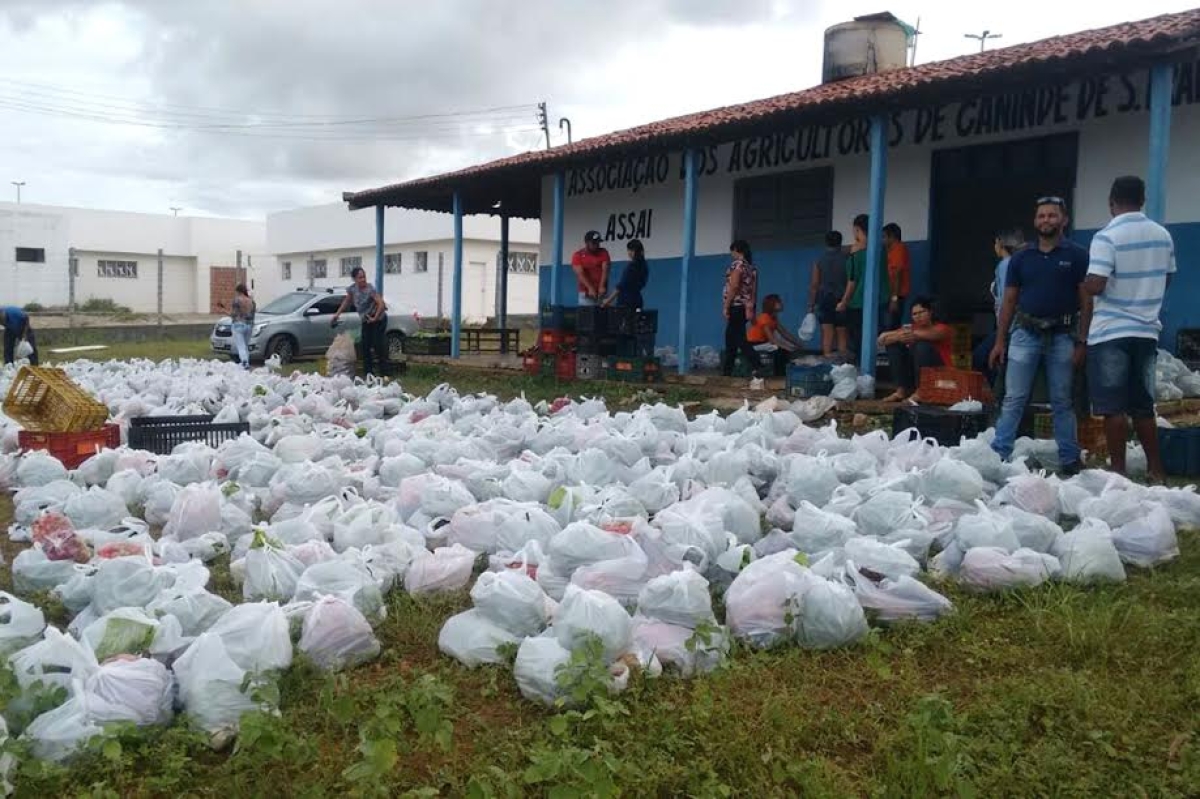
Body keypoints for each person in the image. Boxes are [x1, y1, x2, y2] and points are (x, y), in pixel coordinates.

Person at [989, 196, 1091, 475]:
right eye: (1041, 216)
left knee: (1062, 400)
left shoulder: (1078, 255)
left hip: (1063, 336)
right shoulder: (1022, 258)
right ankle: (999, 454)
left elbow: (1086, 302)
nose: (1046, 220)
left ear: (1064, 220)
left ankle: (1069, 458)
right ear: (1035, 221)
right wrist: (1000, 341)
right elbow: (1008, 301)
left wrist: (1082, 341)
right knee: (1013, 398)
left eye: (1052, 215)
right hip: (1025, 333)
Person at [1083, 176, 1173, 480]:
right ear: (1142, 200)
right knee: (1143, 405)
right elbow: (1167, 278)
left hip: (1111, 332)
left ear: (1111, 203)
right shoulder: (1162, 235)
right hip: (1147, 330)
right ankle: (1156, 470)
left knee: (1113, 406)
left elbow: (1096, 284)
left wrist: (1083, 284)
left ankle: (1118, 470)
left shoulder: (1106, 236)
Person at [972, 228, 1026, 384]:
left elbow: (1005, 299)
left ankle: (995, 394)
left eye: (995, 243)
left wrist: (1002, 332)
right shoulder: (1017, 263)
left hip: (1009, 325)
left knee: (980, 357)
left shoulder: (1005, 265)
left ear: (1001, 244)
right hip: (1014, 324)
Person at [877, 296, 952, 402]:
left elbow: (924, 335)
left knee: (922, 346)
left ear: (930, 312)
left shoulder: (942, 328)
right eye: (914, 314)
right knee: (894, 345)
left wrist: (901, 334)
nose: (918, 316)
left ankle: (921, 391)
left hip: (938, 374)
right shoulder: (911, 328)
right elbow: (882, 340)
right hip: (914, 373)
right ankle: (901, 391)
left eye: (922, 312)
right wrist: (897, 336)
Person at [838, 214, 887, 356]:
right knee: (877, 336)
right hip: (881, 299)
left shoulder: (855, 256)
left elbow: (852, 282)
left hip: (859, 303)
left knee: (859, 338)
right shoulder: (881, 250)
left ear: (857, 229)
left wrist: (843, 302)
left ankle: (863, 368)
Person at [332, 266, 389, 376]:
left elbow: (381, 304)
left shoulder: (370, 289)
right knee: (365, 345)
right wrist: (337, 314)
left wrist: (375, 318)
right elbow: (346, 301)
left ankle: (384, 372)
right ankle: (368, 373)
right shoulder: (352, 289)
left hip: (378, 319)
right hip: (366, 320)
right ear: (354, 279)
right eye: (360, 277)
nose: (363, 280)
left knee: (378, 344)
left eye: (364, 277)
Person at [721, 239, 760, 377]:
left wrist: (726, 306)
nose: (731, 254)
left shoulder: (737, 265)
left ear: (737, 250)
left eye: (732, 251)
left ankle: (756, 361)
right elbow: (754, 291)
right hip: (745, 307)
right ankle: (727, 371)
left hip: (736, 306)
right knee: (731, 339)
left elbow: (734, 286)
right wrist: (751, 308)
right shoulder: (751, 268)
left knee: (738, 339)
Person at [809, 230, 850, 358]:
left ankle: (827, 359)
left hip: (825, 299)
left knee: (827, 332)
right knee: (842, 331)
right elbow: (851, 280)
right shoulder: (847, 259)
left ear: (826, 242)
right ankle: (843, 364)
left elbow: (815, 284)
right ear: (840, 242)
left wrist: (811, 304)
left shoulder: (819, 261)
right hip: (842, 298)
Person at [748, 294, 805, 376]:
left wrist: (798, 344)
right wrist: (787, 347)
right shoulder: (764, 318)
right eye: (779, 302)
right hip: (753, 344)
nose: (782, 303)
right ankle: (779, 375)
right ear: (772, 304)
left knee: (784, 346)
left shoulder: (774, 318)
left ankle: (783, 373)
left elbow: (785, 334)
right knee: (780, 349)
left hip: (763, 343)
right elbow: (772, 340)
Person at [602, 239, 648, 309]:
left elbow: (621, 286)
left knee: (624, 319)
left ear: (633, 251)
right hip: (638, 300)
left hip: (626, 301)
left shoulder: (631, 267)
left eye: (629, 250)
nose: (628, 253)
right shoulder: (644, 266)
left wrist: (608, 300)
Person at [883, 223, 911, 331]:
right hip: (891, 295)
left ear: (892, 237)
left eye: (884, 237)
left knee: (892, 326)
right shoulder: (890, 251)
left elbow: (897, 274)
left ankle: (894, 347)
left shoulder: (899, 249)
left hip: (896, 295)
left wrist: (894, 299)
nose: (882, 240)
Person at [571, 230, 610, 307]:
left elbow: (605, 269)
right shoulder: (578, 255)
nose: (597, 245)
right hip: (586, 295)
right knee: (588, 317)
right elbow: (580, 274)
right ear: (587, 243)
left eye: (598, 242)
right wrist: (590, 288)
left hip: (601, 294)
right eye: (594, 243)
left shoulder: (603, 252)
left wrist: (601, 286)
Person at [229, 283, 256, 370]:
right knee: (245, 346)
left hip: (238, 324)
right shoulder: (251, 301)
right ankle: (246, 363)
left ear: (238, 291)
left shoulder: (237, 300)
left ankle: (244, 362)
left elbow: (234, 314)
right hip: (249, 325)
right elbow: (252, 315)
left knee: (241, 346)